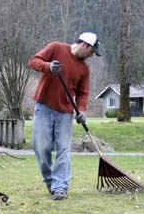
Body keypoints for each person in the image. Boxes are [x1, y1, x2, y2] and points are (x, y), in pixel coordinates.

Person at [27, 32, 101, 200]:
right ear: (85, 45)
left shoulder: (84, 69)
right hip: (43, 107)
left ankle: (60, 186)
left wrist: (81, 110)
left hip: (65, 113)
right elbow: (33, 61)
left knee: (63, 150)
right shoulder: (56, 48)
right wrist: (49, 67)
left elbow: (83, 92)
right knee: (42, 147)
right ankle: (49, 180)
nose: (91, 56)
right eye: (91, 52)